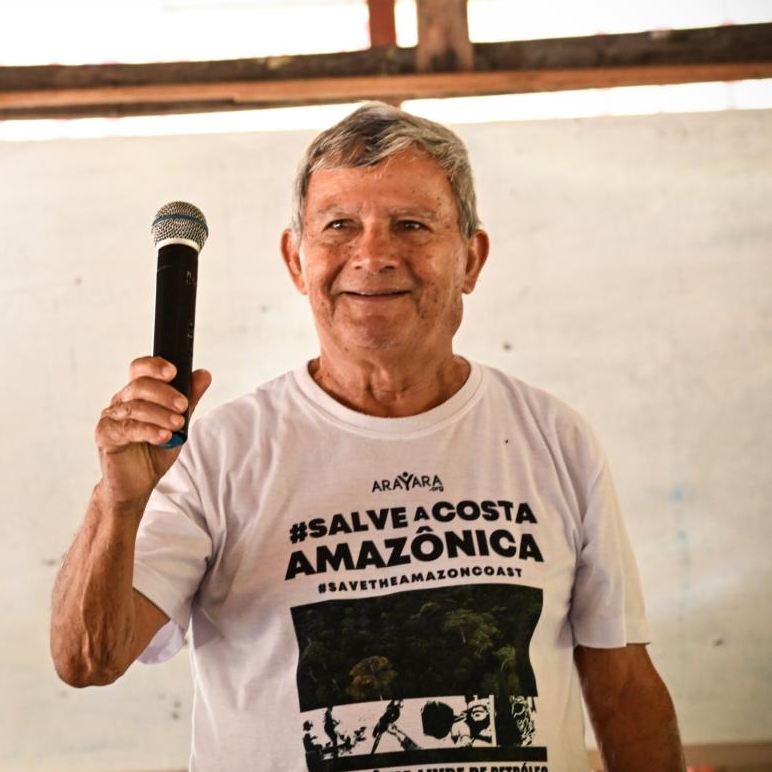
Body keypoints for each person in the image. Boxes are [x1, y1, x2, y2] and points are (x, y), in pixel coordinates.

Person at [50, 102, 683, 771]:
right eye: (340, 226)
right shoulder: (221, 453)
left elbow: (622, 685)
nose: (374, 254)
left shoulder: (555, 440)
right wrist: (117, 501)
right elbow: (89, 658)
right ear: (297, 260)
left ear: (472, 256)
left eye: (411, 225)